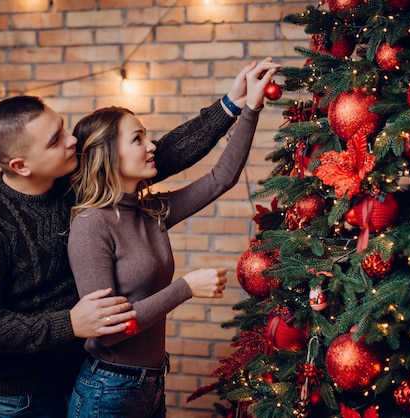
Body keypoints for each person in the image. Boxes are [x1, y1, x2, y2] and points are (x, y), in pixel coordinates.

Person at [0, 60, 261, 418]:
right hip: (17, 397)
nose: (72, 141)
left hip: (79, 373)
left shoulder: (75, 184)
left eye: (64, 128)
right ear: (21, 165)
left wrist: (233, 105)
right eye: (56, 140)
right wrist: (69, 323)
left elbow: (166, 154)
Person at [66, 58, 280, 418]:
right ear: (106, 154)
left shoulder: (150, 211)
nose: (152, 147)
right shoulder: (91, 225)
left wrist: (251, 109)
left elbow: (220, 179)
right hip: (108, 390)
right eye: (138, 139)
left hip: (150, 383)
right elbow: (111, 333)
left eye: (146, 136)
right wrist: (185, 287)